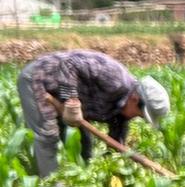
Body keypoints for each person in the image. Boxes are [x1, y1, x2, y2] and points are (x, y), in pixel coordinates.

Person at [16, 50, 171, 178]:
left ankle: (81, 181)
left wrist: (113, 173)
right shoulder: (115, 78)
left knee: (85, 143)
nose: (137, 118)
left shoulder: (121, 115)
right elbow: (69, 64)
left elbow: (115, 147)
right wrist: (71, 100)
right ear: (135, 99)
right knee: (48, 136)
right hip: (39, 79)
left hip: (60, 94)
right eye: (140, 114)